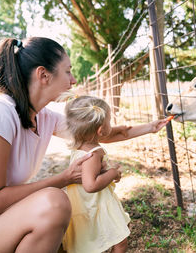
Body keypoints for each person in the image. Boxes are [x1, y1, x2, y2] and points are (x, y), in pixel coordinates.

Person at [0, 37, 168, 253]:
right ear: (44, 75)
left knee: (66, 222)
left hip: (1, 220)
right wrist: (64, 178)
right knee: (54, 203)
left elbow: (96, 134)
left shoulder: (42, 117)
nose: (74, 80)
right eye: (68, 71)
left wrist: (151, 127)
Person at [60, 94, 153, 253]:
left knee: (118, 231)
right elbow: (90, 185)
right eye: (109, 121)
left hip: (89, 204)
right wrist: (113, 172)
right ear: (100, 130)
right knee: (120, 242)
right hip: (97, 204)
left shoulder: (80, 147)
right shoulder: (94, 153)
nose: (111, 124)